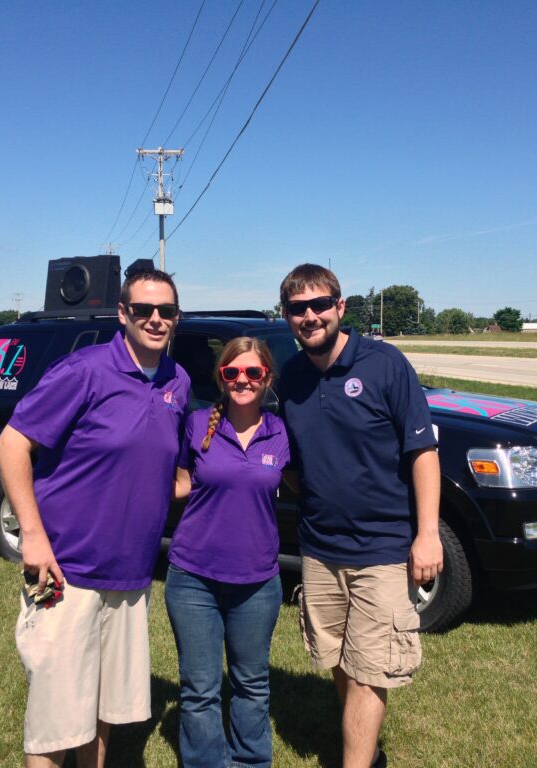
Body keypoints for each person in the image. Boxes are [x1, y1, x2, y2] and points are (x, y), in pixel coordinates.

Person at [0, 269, 191, 768]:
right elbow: (11, 443)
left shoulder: (177, 381)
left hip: (130, 574)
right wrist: (33, 539)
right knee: (55, 719)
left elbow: (167, 469)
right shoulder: (84, 371)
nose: (154, 319)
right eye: (143, 310)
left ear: (176, 318)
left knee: (101, 709)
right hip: (66, 570)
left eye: (165, 311)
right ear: (123, 314)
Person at [277, 264, 443, 768]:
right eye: (298, 309)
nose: (310, 316)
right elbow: (293, 461)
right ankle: (364, 753)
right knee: (340, 661)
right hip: (320, 549)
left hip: (383, 548)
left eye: (320, 304)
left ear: (340, 307)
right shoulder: (291, 377)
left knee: (372, 669)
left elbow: (423, 452)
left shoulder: (385, 363)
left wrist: (428, 534)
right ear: (286, 316)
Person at [165, 337, 291, 768]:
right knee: (199, 689)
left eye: (252, 373)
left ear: (266, 378)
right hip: (192, 578)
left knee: (251, 683)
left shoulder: (280, 432)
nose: (242, 380)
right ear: (220, 377)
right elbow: (180, 483)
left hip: (257, 581)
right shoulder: (197, 423)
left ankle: (251, 761)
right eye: (232, 372)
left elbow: (311, 486)